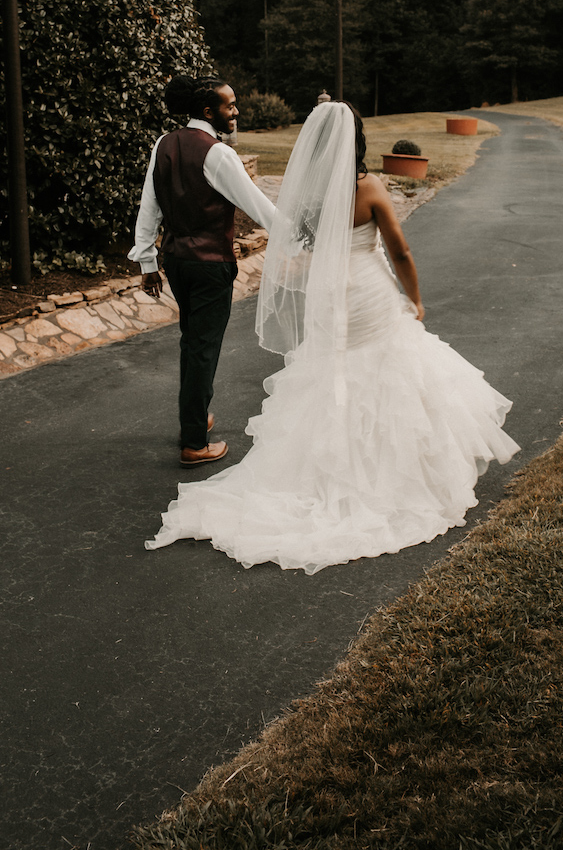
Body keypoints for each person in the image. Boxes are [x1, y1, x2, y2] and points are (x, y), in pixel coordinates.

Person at [145, 102, 520, 572]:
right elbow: (399, 250)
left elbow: (299, 244)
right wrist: (416, 298)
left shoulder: (309, 192)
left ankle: (324, 469)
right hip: (366, 290)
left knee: (334, 371)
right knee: (390, 364)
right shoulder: (368, 188)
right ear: (358, 141)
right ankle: (394, 470)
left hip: (329, 297)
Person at [129, 74, 276, 466]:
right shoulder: (218, 154)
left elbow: (149, 208)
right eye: (230, 106)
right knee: (202, 349)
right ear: (209, 111)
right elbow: (257, 205)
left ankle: (194, 418)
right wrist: (301, 236)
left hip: (176, 262)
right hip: (210, 265)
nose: (236, 111)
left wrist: (148, 263)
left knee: (193, 342)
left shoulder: (163, 144)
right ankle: (194, 442)